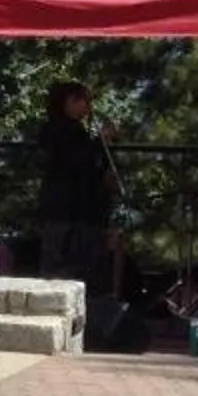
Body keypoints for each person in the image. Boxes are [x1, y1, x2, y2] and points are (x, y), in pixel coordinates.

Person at [34, 79, 121, 297]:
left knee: (75, 266)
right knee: (65, 268)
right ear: (69, 102)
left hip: (74, 212)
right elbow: (73, 162)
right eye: (84, 101)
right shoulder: (58, 131)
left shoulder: (73, 131)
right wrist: (99, 142)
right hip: (67, 211)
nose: (88, 108)